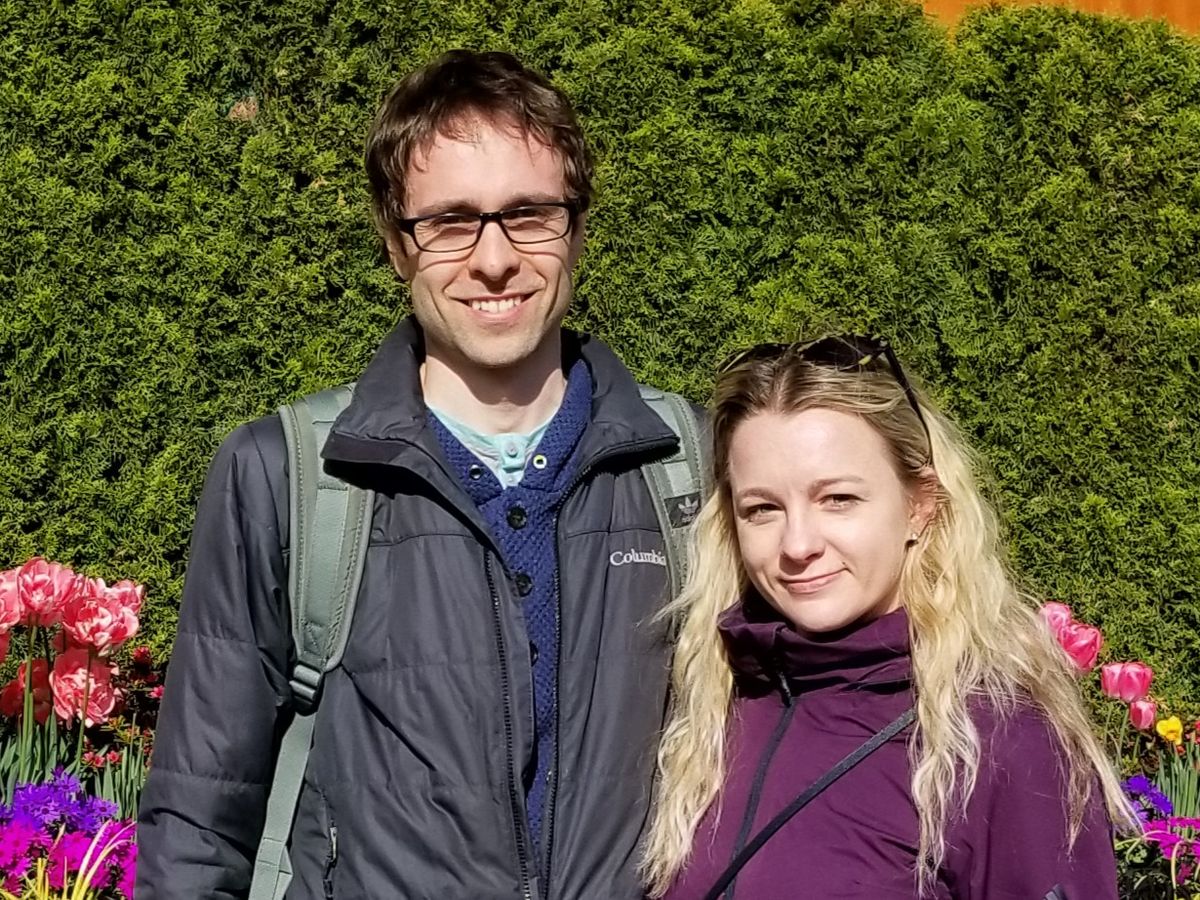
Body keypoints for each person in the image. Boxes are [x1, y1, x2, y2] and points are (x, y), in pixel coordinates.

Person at [137, 50, 698, 899]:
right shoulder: (290, 476)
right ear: (397, 243)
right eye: (450, 221)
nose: (494, 258)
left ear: (577, 228)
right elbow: (197, 819)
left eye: (529, 214)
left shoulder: (685, 465)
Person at [641, 336, 1136, 899]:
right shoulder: (716, 705)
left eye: (838, 500)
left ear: (919, 505)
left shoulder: (996, 737)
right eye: (763, 508)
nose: (798, 544)